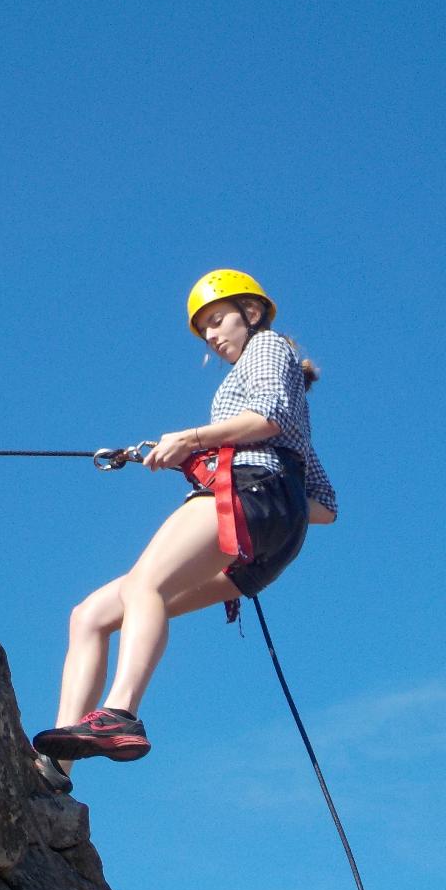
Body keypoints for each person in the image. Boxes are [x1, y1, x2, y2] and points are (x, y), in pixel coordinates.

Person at [31, 269, 337, 794]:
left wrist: (195, 441)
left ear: (254, 313)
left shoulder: (266, 349)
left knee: (142, 586)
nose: (214, 335)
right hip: (273, 534)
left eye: (218, 320)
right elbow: (325, 506)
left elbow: (263, 417)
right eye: (205, 330)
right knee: (92, 616)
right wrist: (208, 462)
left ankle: (119, 714)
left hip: (250, 496)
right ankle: (56, 765)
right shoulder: (290, 406)